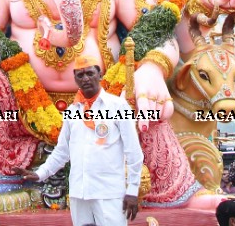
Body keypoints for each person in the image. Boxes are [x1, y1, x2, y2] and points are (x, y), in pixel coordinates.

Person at [14, 55, 144, 226]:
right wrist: (40, 173)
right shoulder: (72, 111)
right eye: (80, 75)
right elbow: (62, 152)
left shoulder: (118, 106)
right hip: (79, 193)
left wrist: (133, 190)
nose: (86, 79)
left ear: (99, 74)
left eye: (90, 73)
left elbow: (133, 152)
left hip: (108, 192)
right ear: (75, 78)